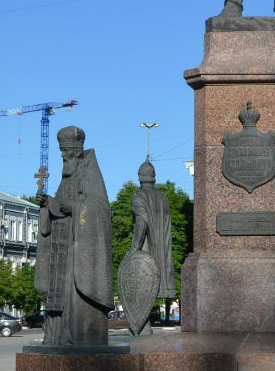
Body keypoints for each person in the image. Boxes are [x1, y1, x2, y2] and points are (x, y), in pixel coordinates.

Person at [34, 126, 113, 346]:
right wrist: (47, 203)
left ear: (77, 153)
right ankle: (58, 336)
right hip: (63, 252)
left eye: (66, 153)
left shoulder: (90, 173)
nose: (63, 157)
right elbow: (59, 207)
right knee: (62, 296)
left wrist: (76, 207)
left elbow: (100, 209)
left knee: (75, 298)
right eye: (61, 154)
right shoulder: (66, 179)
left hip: (80, 255)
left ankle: (78, 336)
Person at [130, 159, 176, 302]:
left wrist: (135, 248)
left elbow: (141, 222)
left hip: (146, 252)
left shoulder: (138, 197)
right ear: (153, 176)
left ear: (139, 176)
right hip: (163, 252)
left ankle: (143, 323)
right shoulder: (163, 198)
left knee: (142, 290)